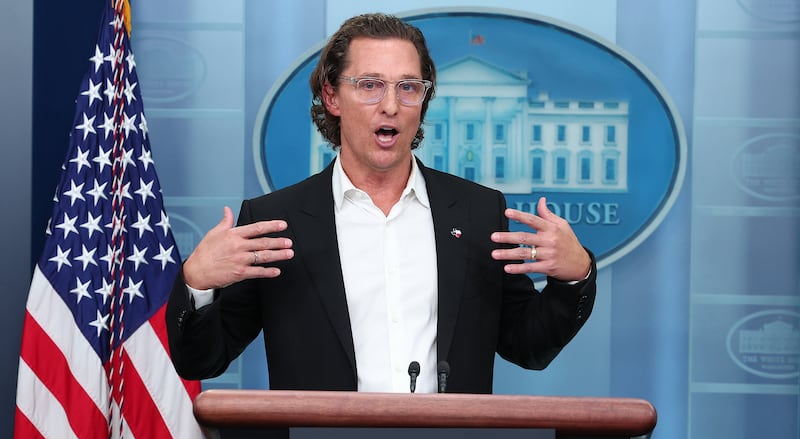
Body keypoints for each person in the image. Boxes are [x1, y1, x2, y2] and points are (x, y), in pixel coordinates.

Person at [166, 13, 596, 394]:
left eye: (408, 87)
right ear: (332, 98)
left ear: (423, 101)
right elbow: (202, 360)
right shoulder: (278, 220)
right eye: (370, 85)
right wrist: (197, 283)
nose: (390, 105)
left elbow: (529, 347)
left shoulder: (478, 212)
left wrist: (575, 277)